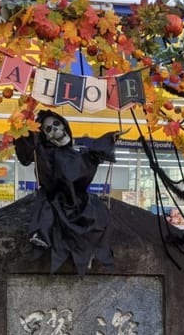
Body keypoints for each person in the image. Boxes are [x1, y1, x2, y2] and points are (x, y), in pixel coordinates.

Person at [13, 110, 120, 275]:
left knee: (97, 213)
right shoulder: (45, 154)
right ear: (46, 137)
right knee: (48, 207)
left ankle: (89, 249)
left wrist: (107, 142)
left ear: (63, 124)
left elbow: (84, 164)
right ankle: (42, 234)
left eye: (56, 124)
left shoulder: (72, 154)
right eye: (48, 129)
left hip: (76, 197)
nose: (55, 130)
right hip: (56, 196)